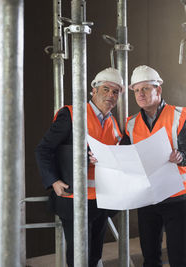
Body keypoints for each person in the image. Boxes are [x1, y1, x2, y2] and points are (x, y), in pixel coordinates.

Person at [35, 67, 123, 267]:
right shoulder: (71, 115)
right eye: (106, 89)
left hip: (101, 200)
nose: (110, 95)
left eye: (115, 92)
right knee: (78, 258)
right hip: (75, 199)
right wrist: (53, 181)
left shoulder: (114, 123)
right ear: (94, 90)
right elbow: (43, 149)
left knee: (94, 257)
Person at [123, 65, 186, 267]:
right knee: (150, 257)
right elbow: (124, 155)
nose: (140, 94)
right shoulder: (131, 123)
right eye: (136, 90)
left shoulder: (180, 116)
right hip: (148, 199)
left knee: (179, 257)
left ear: (158, 90)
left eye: (145, 89)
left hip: (177, 198)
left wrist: (181, 156)